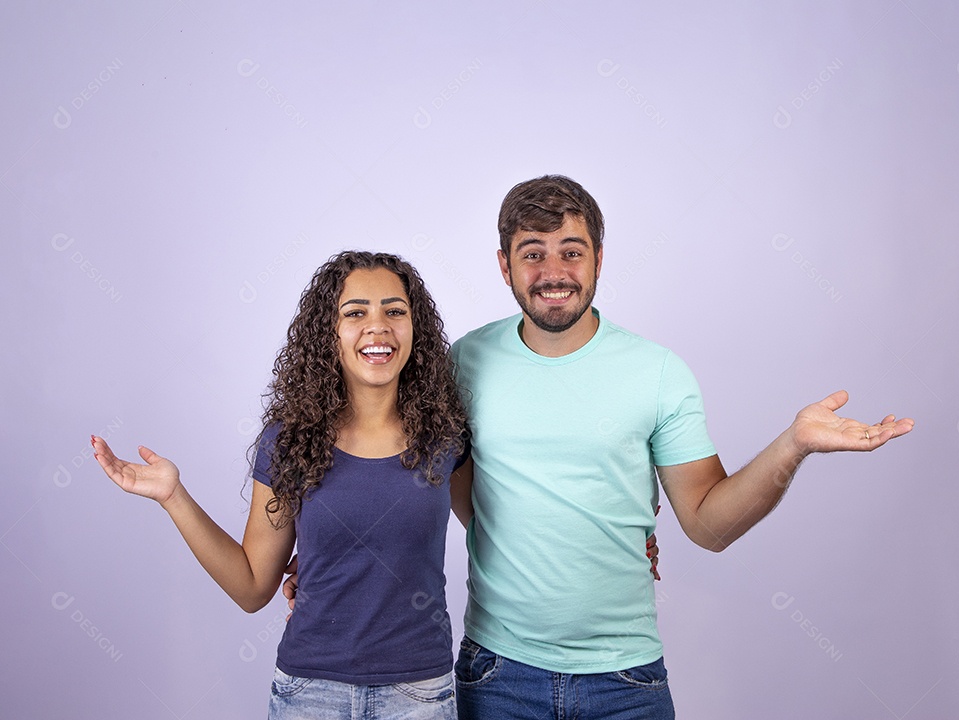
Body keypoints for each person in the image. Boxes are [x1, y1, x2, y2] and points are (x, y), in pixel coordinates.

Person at [444, 175, 915, 719]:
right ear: (505, 265)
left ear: (598, 258)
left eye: (571, 252)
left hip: (623, 681)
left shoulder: (658, 373)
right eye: (533, 254)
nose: (554, 273)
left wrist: (793, 444)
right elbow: (469, 498)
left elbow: (708, 526)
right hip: (499, 673)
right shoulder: (464, 363)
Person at [93, 251, 470, 720]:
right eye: (355, 313)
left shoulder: (447, 437)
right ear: (327, 332)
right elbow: (252, 586)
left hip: (420, 696)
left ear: (416, 327)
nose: (378, 327)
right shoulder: (291, 442)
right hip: (310, 694)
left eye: (395, 310)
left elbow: (490, 530)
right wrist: (174, 496)